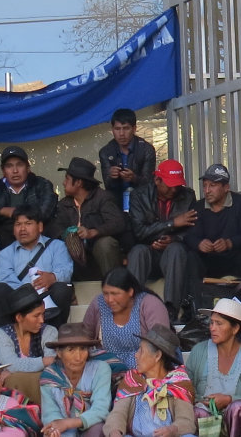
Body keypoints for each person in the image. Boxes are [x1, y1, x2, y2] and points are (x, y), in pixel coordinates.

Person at [127, 160, 197, 322]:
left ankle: (171, 309)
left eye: (177, 185)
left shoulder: (187, 195)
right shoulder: (139, 195)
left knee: (176, 249)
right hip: (148, 252)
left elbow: (192, 230)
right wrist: (172, 223)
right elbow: (139, 232)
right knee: (138, 251)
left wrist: (173, 238)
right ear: (157, 180)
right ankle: (132, 306)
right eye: (170, 184)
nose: (174, 189)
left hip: (173, 256)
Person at [0, 205, 74, 330]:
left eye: (28, 223)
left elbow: (66, 270)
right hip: (18, 300)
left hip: (46, 298)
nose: (22, 229)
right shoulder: (5, 254)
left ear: (40, 227)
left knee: (62, 288)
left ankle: (51, 336)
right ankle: (5, 337)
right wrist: (30, 292)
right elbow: (5, 279)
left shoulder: (57, 246)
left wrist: (52, 277)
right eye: (18, 224)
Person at [103, 324, 196, 437]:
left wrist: (172, 430)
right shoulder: (132, 380)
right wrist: (115, 431)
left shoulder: (178, 382)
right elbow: (118, 413)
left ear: (157, 356)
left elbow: (187, 421)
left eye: (141, 351)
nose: (136, 355)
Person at [83, 267, 169, 370]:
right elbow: (84, 337)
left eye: (115, 294)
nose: (110, 299)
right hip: (109, 369)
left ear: (130, 292)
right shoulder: (98, 304)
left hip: (144, 368)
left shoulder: (149, 304)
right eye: (106, 293)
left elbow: (161, 343)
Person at [52, 157, 125, 279]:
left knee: (105, 244)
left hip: (97, 254)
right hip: (76, 257)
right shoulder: (64, 204)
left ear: (79, 182)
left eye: (67, 179)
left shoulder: (103, 198)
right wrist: (68, 235)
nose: (64, 183)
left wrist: (92, 232)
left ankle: (112, 286)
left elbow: (118, 222)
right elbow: (55, 227)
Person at [0, 284, 58, 405]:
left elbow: (52, 367)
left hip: (41, 389)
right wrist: (44, 361)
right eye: (36, 315)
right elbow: (11, 364)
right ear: (19, 317)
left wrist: (13, 371)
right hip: (10, 395)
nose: (42, 320)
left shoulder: (49, 331)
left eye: (43, 314)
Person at [41, 323, 111, 437]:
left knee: (98, 430)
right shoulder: (50, 376)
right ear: (59, 352)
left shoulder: (100, 369)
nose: (78, 357)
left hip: (91, 425)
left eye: (83, 349)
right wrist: (56, 428)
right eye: (71, 350)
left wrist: (69, 423)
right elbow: (50, 412)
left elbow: (101, 409)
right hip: (62, 428)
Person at [0, 146, 58, 248]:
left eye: (20, 165)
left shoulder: (42, 184)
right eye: (9, 166)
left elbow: (46, 211)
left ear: (28, 168)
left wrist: (20, 215)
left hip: (38, 242)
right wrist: (2, 210)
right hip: (3, 244)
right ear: (3, 170)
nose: (15, 171)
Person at [187, 298, 241, 435]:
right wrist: (196, 400)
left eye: (219, 323)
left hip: (236, 421)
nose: (212, 328)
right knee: (197, 412)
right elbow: (185, 385)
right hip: (204, 418)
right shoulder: (199, 351)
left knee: (237, 408)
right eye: (211, 322)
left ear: (235, 329)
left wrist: (229, 400)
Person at [185, 163, 241, 283]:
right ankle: (195, 299)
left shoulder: (239, 203)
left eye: (212, 185)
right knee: (191, 256)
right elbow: (189, 235)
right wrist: (199, 243)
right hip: (208, 262)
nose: (207, 191)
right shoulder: (198, 207)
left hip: (234, 262)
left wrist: (229, 243)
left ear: (226, 187)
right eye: (204, 186)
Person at [98, 108, 156, 211]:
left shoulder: (146, 149)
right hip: (116, 203)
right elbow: (107, 185)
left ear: (134, 129)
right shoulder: (106, 152)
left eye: (126, 128)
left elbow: (149, 184)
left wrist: (134, 178)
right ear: (112, 130)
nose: (121, 133)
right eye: (117, 129)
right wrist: (112, 176)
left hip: (142, 203)